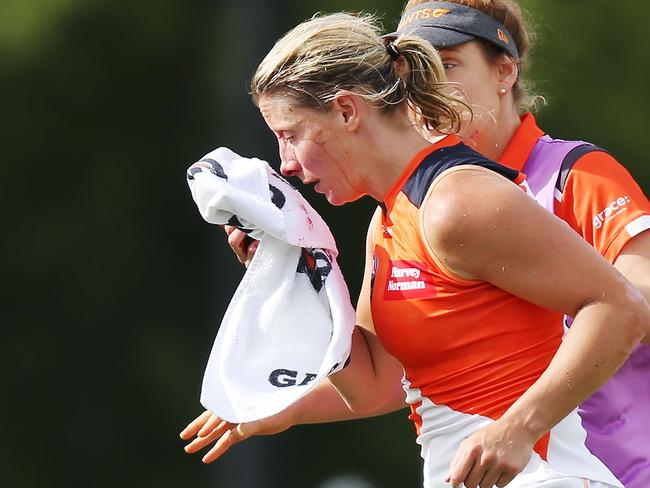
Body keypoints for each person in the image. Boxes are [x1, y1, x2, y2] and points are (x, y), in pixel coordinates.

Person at [180, 12, 650, 488]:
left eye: (290, 134)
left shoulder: (454, 202)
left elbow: (621, 306)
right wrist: (295, 273)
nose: (288, 164)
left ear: (346, 111)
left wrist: (520, 427)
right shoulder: (387, 218)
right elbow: (373, 383)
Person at [381, 2, 650, 487]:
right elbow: (381, 379)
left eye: (446, 65)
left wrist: (569, 301)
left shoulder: (575, 174)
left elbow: (639, 306)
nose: (424, 87)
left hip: (620, 471)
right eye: (410, 71)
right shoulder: (414, 205)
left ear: (504, 71)